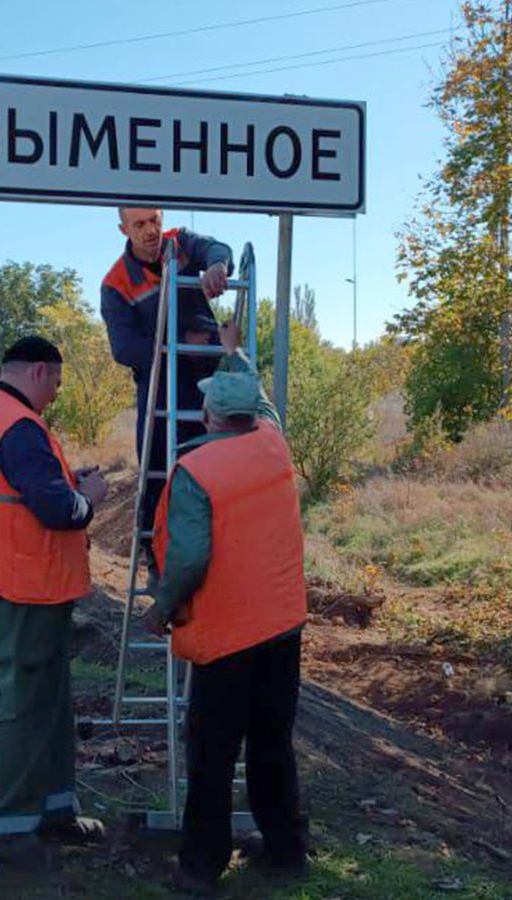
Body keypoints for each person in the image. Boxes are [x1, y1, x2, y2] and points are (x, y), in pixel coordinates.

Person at [142, 322, 309, 894]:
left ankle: (200, 866)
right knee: (272, 744)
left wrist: (160, 609)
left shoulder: (196, 472)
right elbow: (261, 398)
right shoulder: (273, 441)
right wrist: (234, 351)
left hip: (230, 634)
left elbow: (188, 559)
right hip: (283, 626)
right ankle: (287, 852)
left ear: (209, 416)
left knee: (212, 755)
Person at [0, 336, 110, 865]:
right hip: (21, 587)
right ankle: (7, 830)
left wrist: (67, 484)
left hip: (12, 581)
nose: (57, 395)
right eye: (57, 384)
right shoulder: (17, 427)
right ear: (38, 371)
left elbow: (25, 490)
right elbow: (59, 511)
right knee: (24, 706)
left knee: (49, 701)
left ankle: (54, 811)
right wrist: (91, 498)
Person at [100, 208, 233, 581]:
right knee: (159, 476)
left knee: (216, 474)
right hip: (158, 391)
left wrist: (217, 266)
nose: (150, 231)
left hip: (208, 384)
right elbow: (124, 348)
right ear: (123, 229)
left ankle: (219, 563)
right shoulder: (116, 283)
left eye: (154, 221)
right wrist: (175, 347)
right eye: (139, 224)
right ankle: (159, 566)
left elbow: (218, 247)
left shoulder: (181, 243)